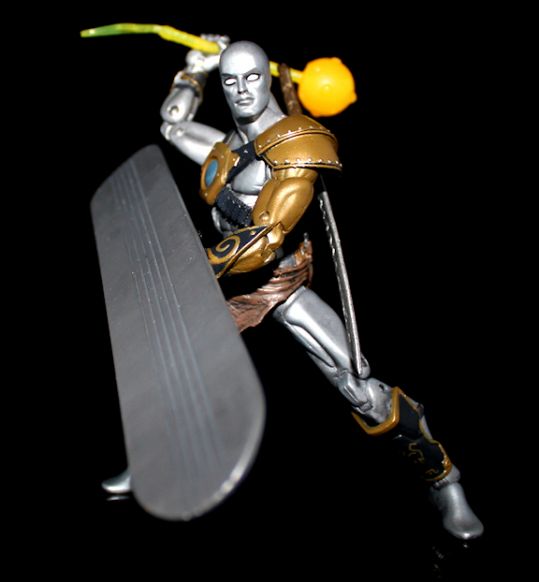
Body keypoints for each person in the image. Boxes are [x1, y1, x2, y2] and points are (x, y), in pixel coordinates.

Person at [103, 38, 483, 540]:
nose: (242, 90)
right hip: (227, 285)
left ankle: (445, 482)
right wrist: (195, 69)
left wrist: (190, 266)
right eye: (231, 81)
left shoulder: (297, 147)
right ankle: (149, 460)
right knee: (173, 360)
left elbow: (266, 240)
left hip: (279, 282)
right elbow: (172, 123)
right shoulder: (228, 145)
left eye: (252, 78)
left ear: (267, 78)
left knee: (361, 390)